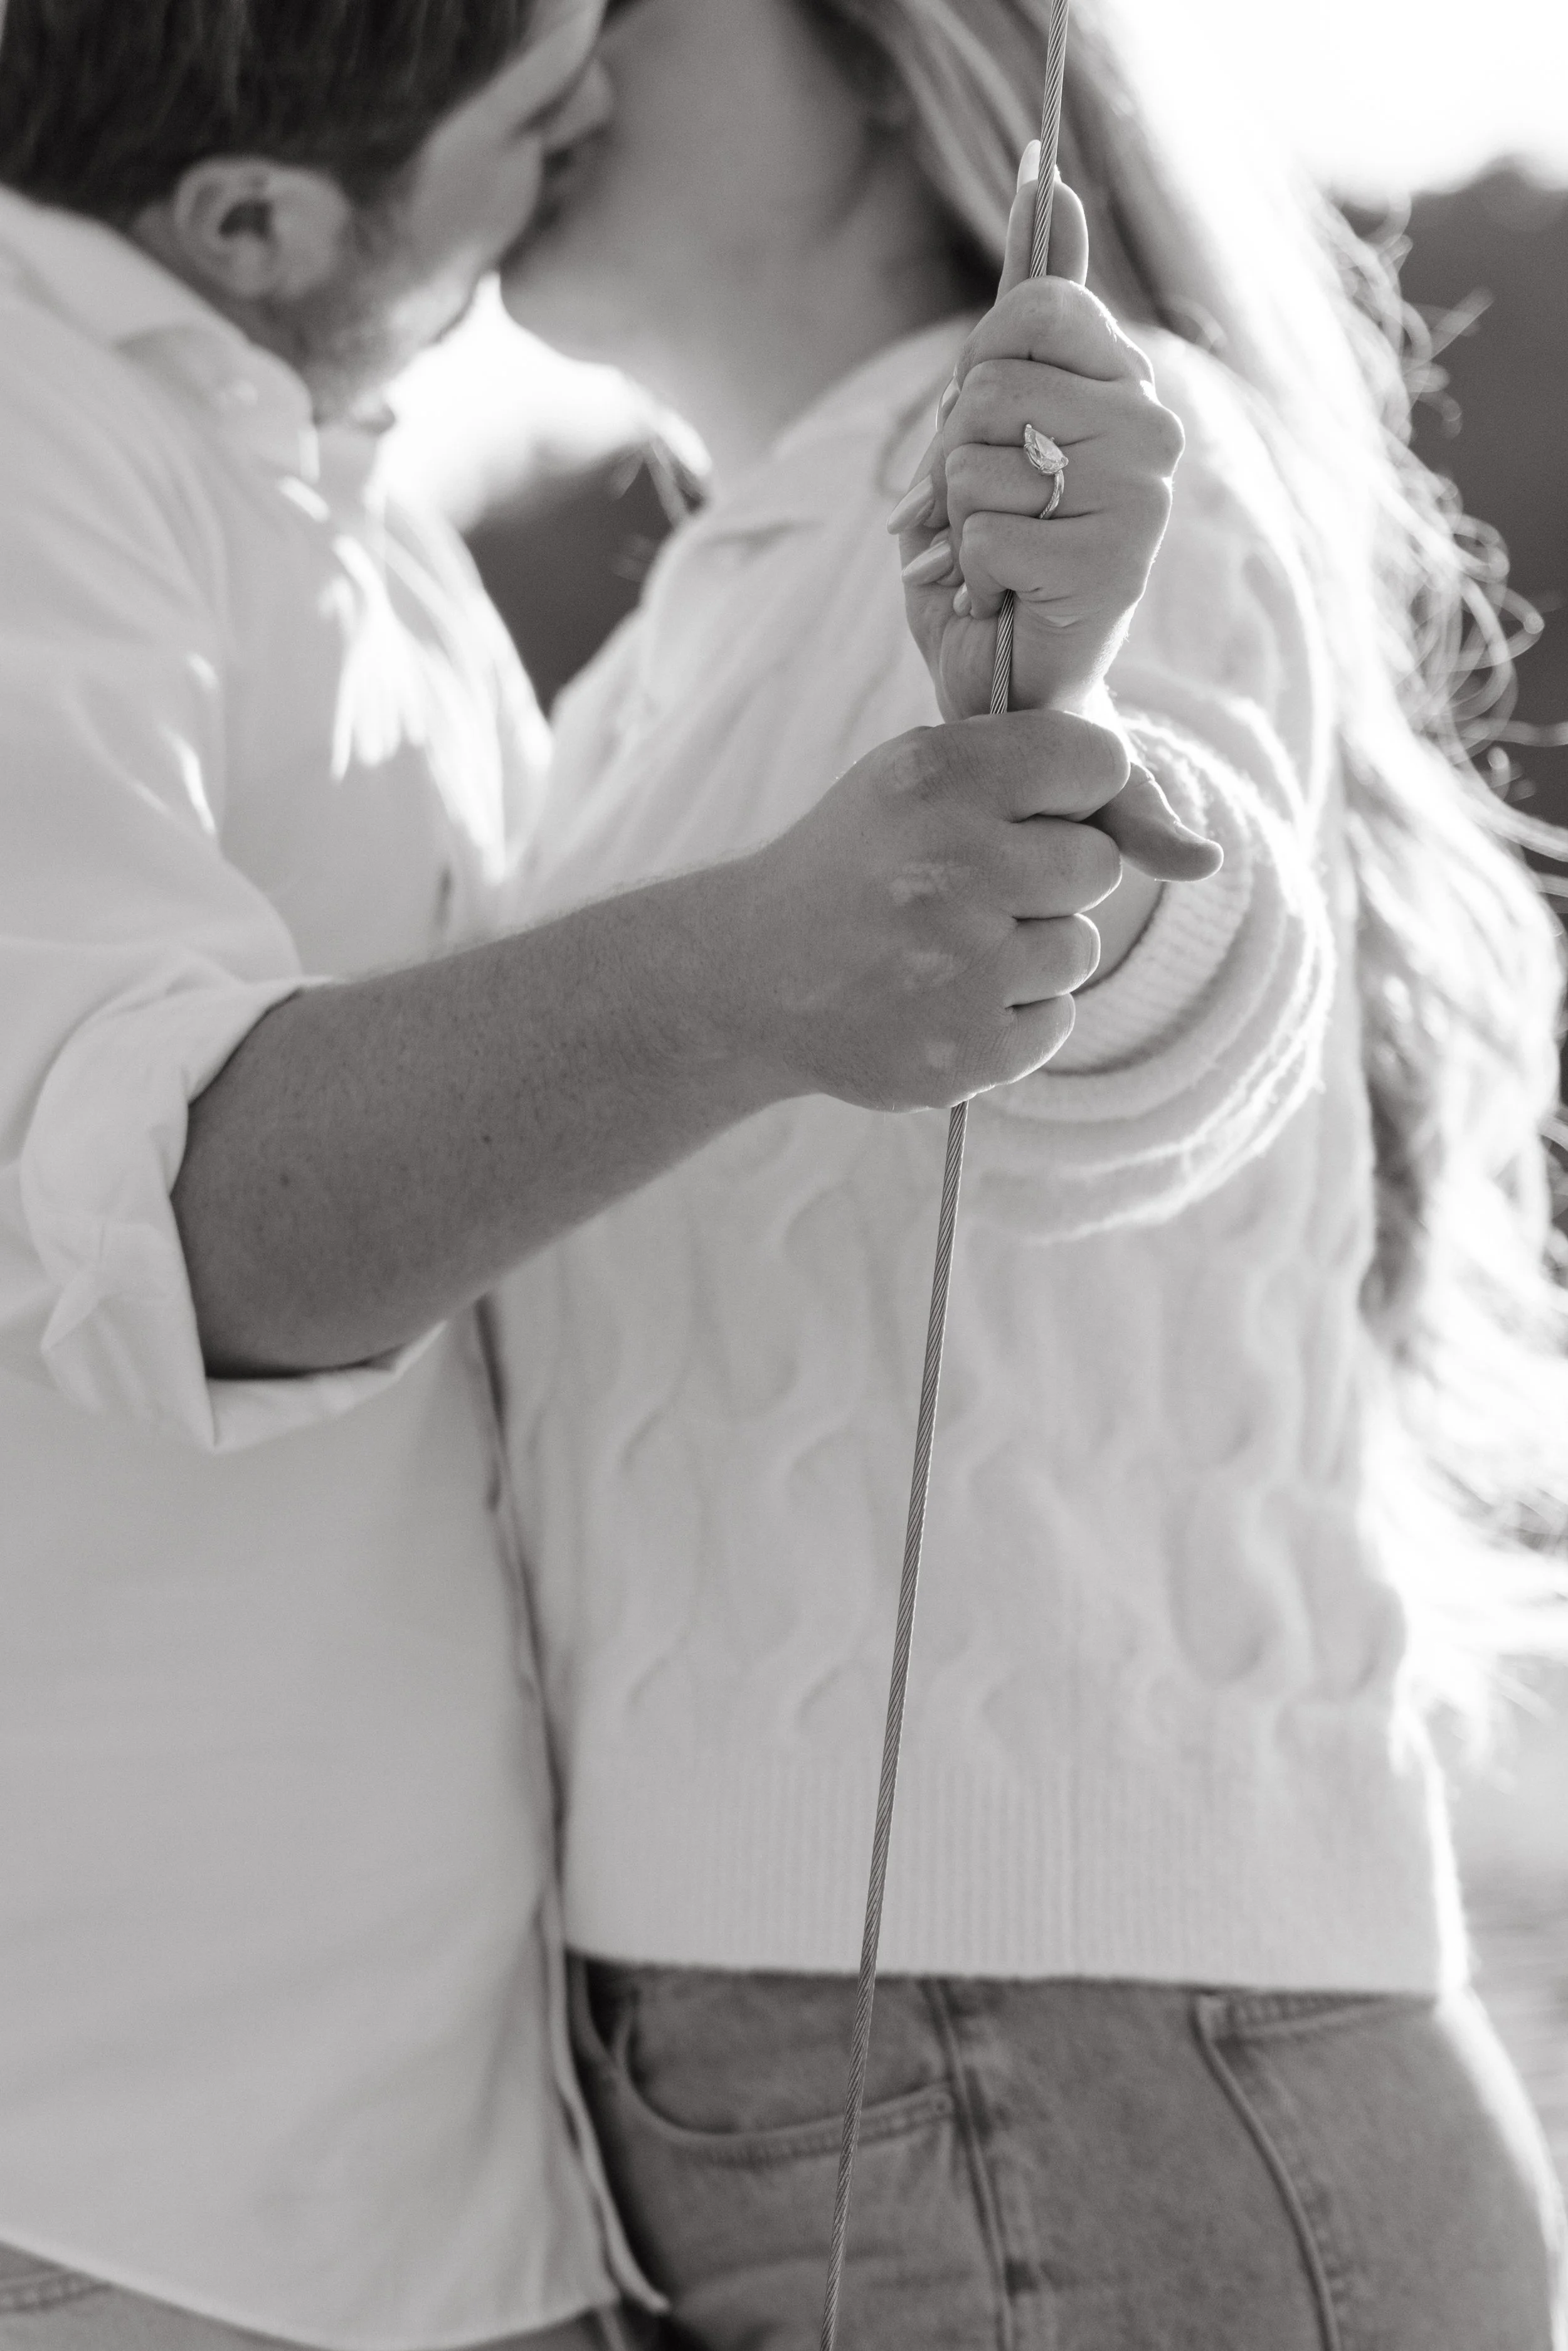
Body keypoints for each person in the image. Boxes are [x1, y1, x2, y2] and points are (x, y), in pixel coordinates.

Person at [0, 3, 1212, 2347]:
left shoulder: (334, 498)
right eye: (532, 102)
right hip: (126, 2167)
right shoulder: (30, 424)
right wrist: (753, 965)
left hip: (411, 2171)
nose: (593, 98)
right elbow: (165, 1221)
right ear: (251, 215)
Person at [493, 1, 1568, 2345]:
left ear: (894, 53)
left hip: (1071, 2062)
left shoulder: (1077, 460)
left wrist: (1052, 750)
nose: (540, 39)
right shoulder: (652, 664)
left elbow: (1182, 987)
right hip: (852, 2074)